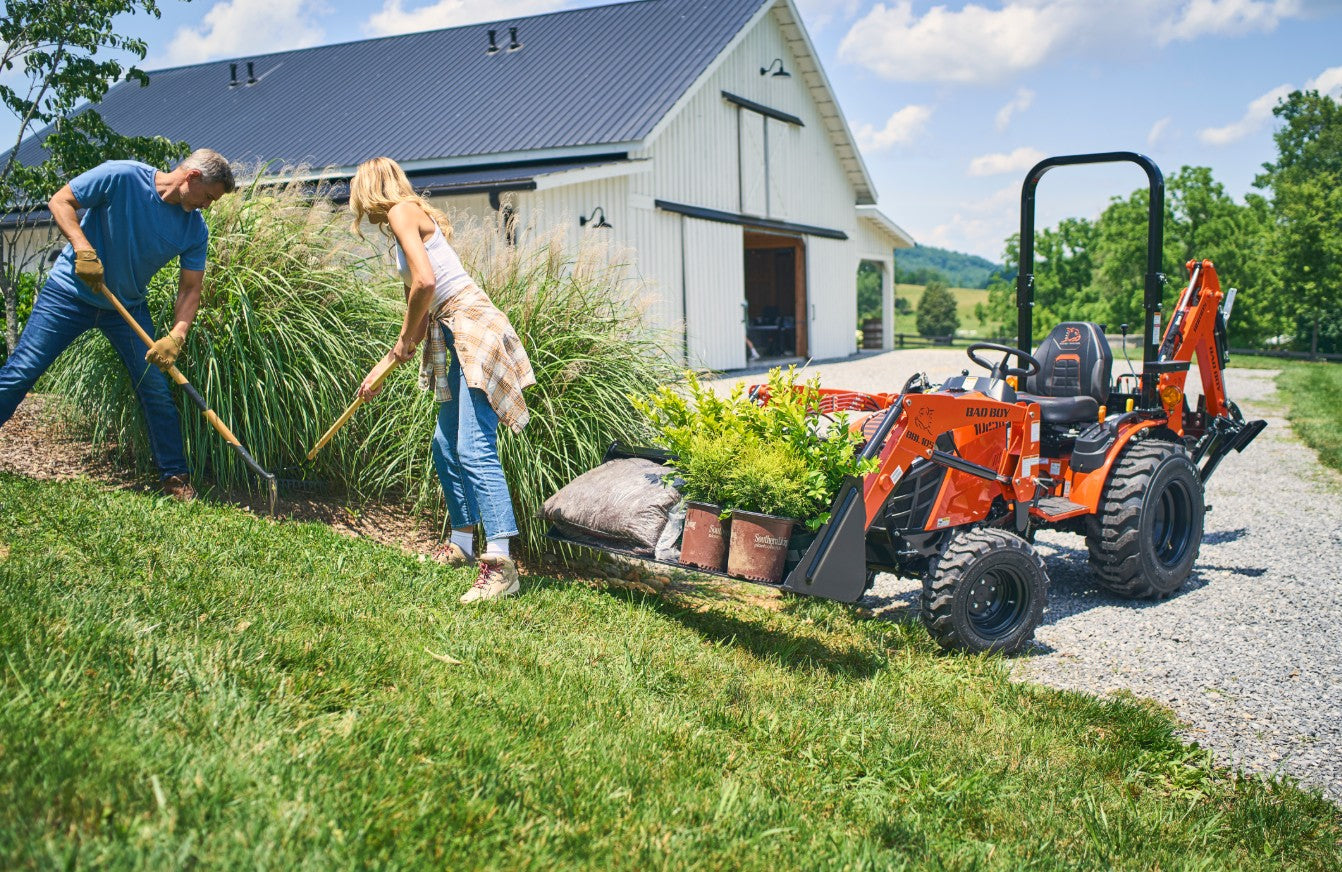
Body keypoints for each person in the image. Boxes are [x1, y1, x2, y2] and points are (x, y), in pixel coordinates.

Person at [348, 156, 535, 603]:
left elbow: (426, 284)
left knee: (474, 446)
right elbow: (422, 301)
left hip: (471, 327)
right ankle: (462, 544)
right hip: (452, 331)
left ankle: (501, 564)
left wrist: (400, 344)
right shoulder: (409, 216)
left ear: (367, 189)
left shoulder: (399, 212)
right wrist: (391, 357)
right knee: (445, 443)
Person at [0, 149, 236, 501]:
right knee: (22, 372)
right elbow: (60, 201)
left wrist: (177, 335)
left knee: (155, 389)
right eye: (209, 197)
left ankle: (175, 478)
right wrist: (82, 248)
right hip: (69, 294)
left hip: (126, 307)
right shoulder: (122, 176)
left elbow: (190, 289)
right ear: (192, 178)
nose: (208, 205)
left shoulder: (194, 230)